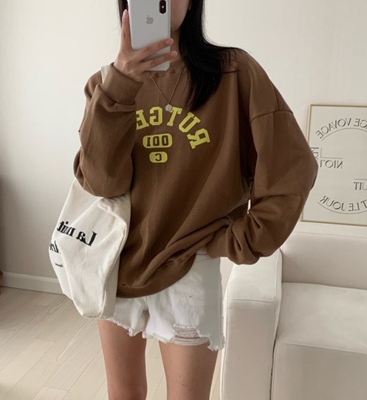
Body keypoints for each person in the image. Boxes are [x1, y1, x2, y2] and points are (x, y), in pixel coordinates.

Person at [73, 0, 318, 399]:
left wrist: (242, 239)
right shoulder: (105, 84)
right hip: (114, 264)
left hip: (189, 266)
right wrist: (120, 83)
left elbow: (292, 168)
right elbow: (102, 183)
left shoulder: (234, 73)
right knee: (123, 393)